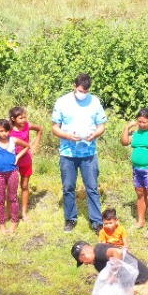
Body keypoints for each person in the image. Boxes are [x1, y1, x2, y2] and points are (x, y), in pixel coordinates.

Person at [51, 73, 107, 233]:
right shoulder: (62, 102)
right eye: (81, 90)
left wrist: (95, 135)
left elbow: (101, 126)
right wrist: (68, 136)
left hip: (89, 153)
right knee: (68, 187)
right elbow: (54, 128)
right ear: (74, 86)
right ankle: (70, 218)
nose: (83, 94)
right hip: (68, 153)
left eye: (86, 91)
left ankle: (96, 221)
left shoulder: (94, 102)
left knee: (92, 187)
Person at [0, 118, 29, 235]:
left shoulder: (13, 140)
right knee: (0, 199)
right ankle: (2, 225)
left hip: (12, 172)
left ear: (9, 131)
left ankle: (14, 222)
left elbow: (27, 146)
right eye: (1, 131)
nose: (4, 133)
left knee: (13, 198)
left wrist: (17, 157)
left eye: (6, 131)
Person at [8, 106, 43, 218]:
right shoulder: (9, 127)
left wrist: (35, 145)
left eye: (24, 117)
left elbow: (40, 129)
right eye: (21, 118)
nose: (24, 120)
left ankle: (23, 212)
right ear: (13, 119)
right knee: (11, 187)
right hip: (12, 160)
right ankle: (9, 212)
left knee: (24, 185)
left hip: (25, 159)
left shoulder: (27, 125)